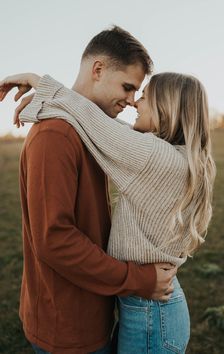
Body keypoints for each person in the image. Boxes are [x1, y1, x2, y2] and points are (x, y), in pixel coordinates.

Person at [0, 27, 178, 354]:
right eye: (127, 87)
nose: (130, 101)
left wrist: (47, 89)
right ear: (98, 70)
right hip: (66, 326)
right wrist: (140, 280)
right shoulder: (55, 135)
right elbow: (56, 240)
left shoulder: (93, 130)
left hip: (91, 310)